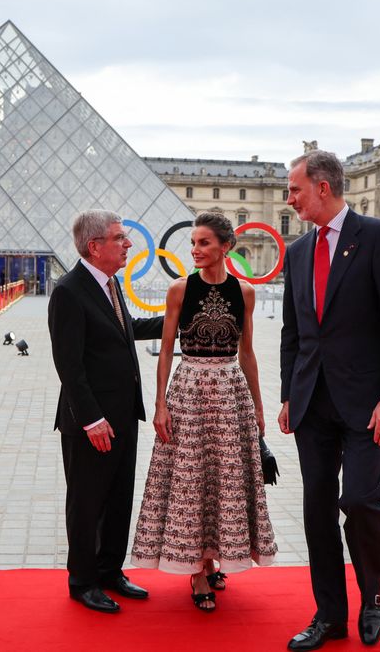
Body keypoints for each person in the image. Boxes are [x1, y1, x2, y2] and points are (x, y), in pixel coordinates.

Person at [279, 150, 380, 649]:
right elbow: (293, 333)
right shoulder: (296, 253)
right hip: (312, 401)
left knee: (359, 500)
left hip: (368, 403)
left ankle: (373, 597)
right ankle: (330, 614)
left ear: (322, 187)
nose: (289, 199)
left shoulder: (377, 237)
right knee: (317, 509)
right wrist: (288, 394)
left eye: (295, 189)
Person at [131, 213, 277, 613]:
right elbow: (164, 351)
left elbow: (247, 352)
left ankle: (213, 557)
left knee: (222, 478)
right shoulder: (180, 289)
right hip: (189, 391)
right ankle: (196, 570)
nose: (195, 250)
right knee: (190, 478)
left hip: (230, 392)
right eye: (193, 243)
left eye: (203, 243)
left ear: (225, 247)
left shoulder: (244, 292)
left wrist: (258, 405)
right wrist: (160, 404)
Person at [47, 209, 164, 614]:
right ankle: (82, 581)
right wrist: (91, 418)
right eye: (120, 238)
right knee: (87, 501)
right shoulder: (69, 290)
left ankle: (110, 570)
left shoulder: (109, 285)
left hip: (123, 415)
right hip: (91, 421)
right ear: (95, 247)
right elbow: (69, 364)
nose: (128, 244)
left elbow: (126, 327)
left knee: (117, 498)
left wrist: (180, 319)